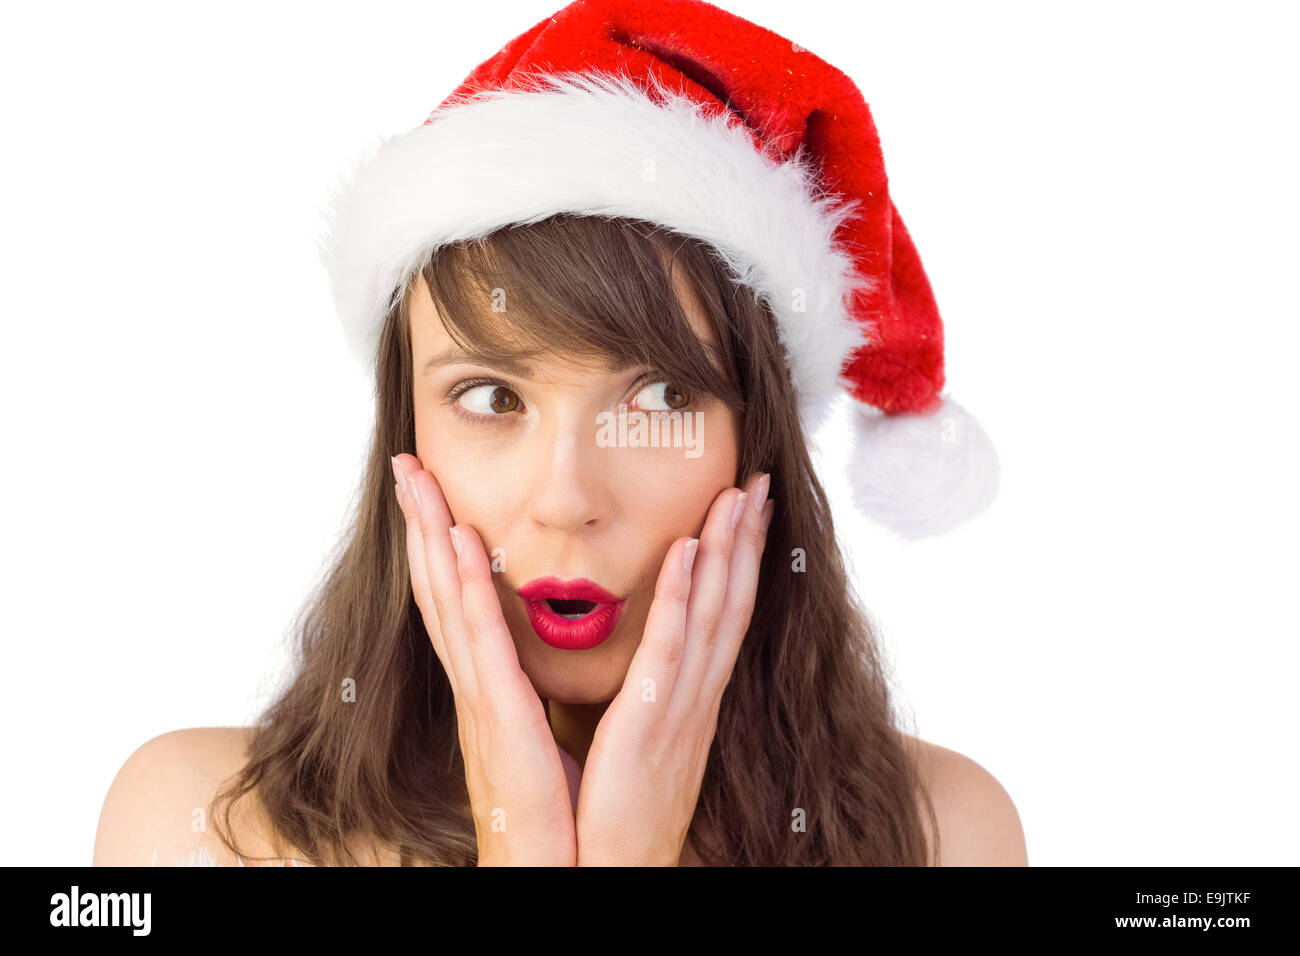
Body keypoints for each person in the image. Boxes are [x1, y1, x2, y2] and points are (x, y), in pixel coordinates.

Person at [93, 0, 1023, 866]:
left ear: (760, 439)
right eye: (492, 399)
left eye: (662, 398)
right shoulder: (197, 825)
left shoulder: (945, 832)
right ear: (404, 440)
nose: (567, 499)